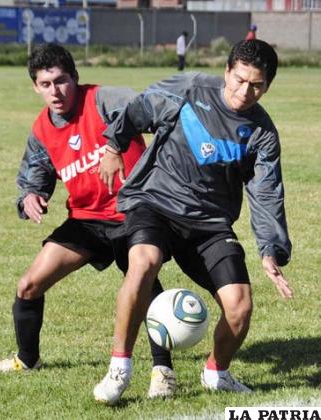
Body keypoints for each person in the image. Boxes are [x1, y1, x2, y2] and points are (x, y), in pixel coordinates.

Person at [94, 39, 293, 404]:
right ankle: (119, 368)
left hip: (209, 223)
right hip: (156, 202)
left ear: (268, 86)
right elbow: (140, 108)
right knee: (144, 261)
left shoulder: (262, 133)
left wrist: (270, 249)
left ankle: (216, 372)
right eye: (239, 79)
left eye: (256, 85)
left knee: (240, 306)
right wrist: (113, 145)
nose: (244, 91)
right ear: (226, 72)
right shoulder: (190, 90)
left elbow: (266, 192)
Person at [0, 43, 176, 399]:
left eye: (61, 80)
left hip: (135, 211)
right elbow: (34, 176)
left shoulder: (103, 99)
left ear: (75, 78)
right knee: (28, 285)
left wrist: (121, 146)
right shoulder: (41, 129)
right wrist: (30, 197)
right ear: (35, 87)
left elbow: (148, 107)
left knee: (143, 281)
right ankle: (28, 360)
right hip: (87, 219)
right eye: (45, 84)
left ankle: (163, 370)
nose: (55, 91)